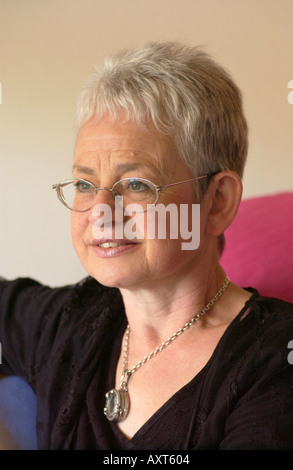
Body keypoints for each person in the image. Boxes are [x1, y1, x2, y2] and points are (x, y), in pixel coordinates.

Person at [1, 41, 293, 450]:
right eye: (85, 184)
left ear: (217, 202)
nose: (100, 211)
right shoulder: (68, 323)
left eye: (136, 184)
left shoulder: (277, 362)